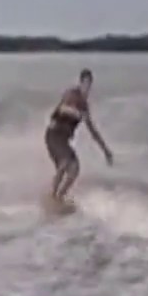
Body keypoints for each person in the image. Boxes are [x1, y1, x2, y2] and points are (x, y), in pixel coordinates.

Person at [45, 67, 113, 203]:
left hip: (63, 141)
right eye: (85, 84)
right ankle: (52, 196)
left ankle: (60, 197)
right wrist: (74, 112)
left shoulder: (84, 107)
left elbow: (93, 131)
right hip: (53, 136)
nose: (87, 88)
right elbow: (62, 108)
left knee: (74, 169)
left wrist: (106, 150)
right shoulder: (71, 94)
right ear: (80, 83)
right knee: (65, 163)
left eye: (89, 85)